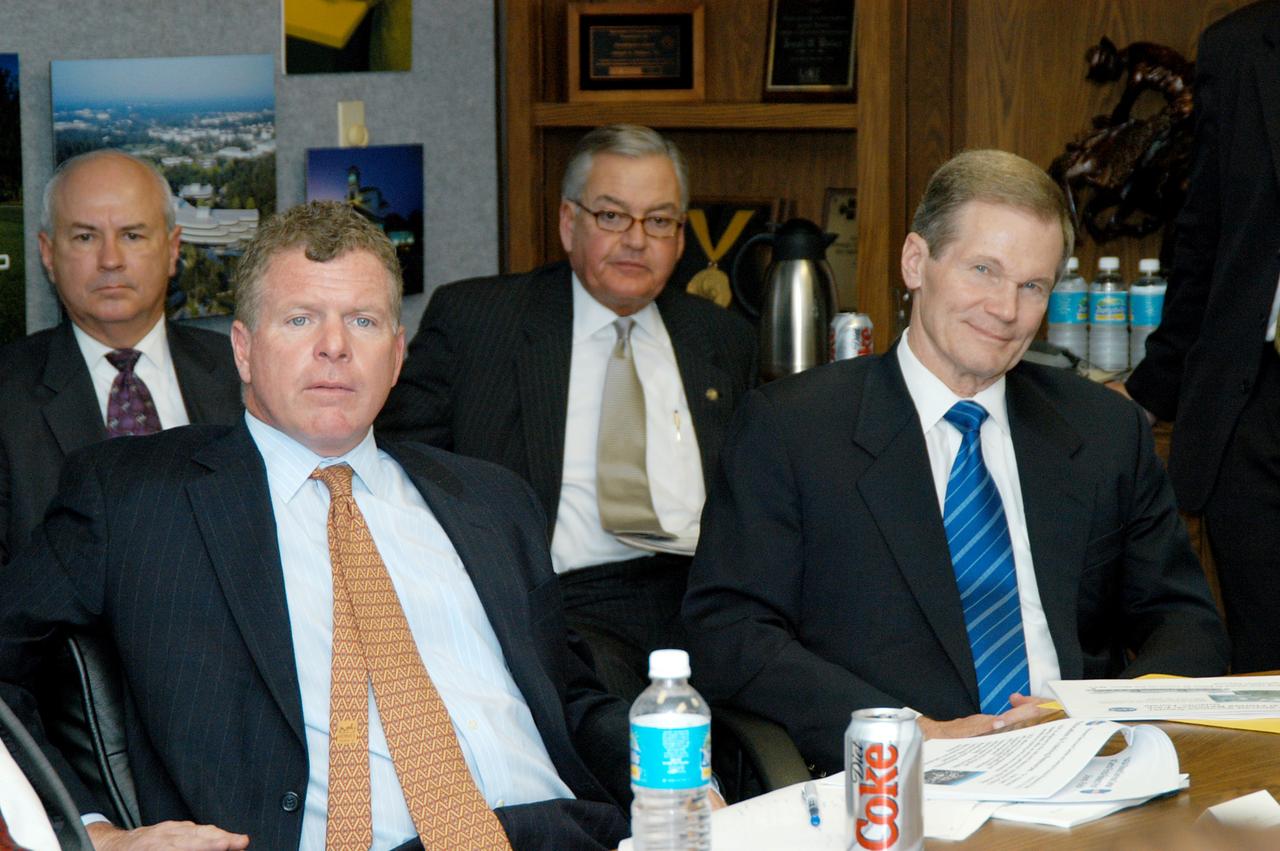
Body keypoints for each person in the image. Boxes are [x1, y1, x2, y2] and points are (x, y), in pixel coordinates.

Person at [0, 201, 631, 850]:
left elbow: (573, 699)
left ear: (395, 353)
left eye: (362, 320)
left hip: (567, 831)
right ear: (243, 349)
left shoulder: (492, 500)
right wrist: (89, 835)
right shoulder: (134, 498)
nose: (334, 346)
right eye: (300, 319)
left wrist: (682, 779)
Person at [682, 149, 1228, 776]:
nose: (1006, 309)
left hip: (1082, 768)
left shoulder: (1105, 430)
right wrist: (904, 733)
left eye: (1033, 286)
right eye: (983, 270)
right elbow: (727, 631)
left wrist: (1099, 716)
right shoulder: (792, 429)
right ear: (916, 261)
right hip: (895, 780)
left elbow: (1187, 623)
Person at [377, 125, 756, 701]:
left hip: (700, 596)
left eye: (659, 221)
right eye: (611, 216)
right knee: (602, 698)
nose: (636, 240)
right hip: (565, 602)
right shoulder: (480, 322)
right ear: (567, 223)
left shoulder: (722, 340)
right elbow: (397, 473)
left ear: (681, 240)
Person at [1124, 1, 1280, 673]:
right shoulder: (1240, 46)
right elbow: (1206, 233)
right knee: (1264, 675)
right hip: (1255, 405)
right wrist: (1153, 387)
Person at [0, 149, 241, 565]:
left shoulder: (246, 375)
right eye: (85, 237)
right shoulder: (7, 396)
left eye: (132, 235)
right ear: (47, 254)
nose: (110, 260)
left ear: (171, 249)